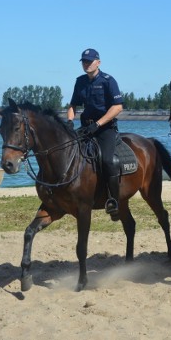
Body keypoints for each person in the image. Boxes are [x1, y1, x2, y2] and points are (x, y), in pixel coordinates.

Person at [67, 48, 124, 215]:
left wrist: (98, 124)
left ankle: (113, 200)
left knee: (107, 160)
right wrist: (70, 122)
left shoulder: (108, 81)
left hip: (105, 129)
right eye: (84, 61)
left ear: (98, 62)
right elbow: (73, 105)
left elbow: (118, 107)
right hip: (86, 128)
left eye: (90, 61)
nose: (86, 64)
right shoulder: (80, 81)